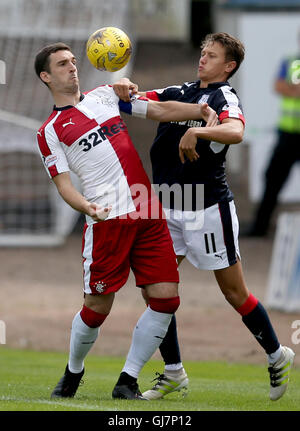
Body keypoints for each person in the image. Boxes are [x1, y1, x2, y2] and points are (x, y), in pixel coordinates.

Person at [113, 32, 295, 402]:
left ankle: (278, 355)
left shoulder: (223, 96)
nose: (203, 60)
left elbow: (236, 131)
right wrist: (122, 88)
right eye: (202, 53)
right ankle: (173, 372)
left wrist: (198, 131)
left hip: (207, 209)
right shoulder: (180, 90)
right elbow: (134, 104)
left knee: (234, 292)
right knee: (157, 290)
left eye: (211, 56)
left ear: (228, 66)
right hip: (168, 205)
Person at [34, 42, 218, 401]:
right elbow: (63, 185)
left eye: (73, 61)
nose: (72, 68)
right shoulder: (50, 131)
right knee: (97, 307)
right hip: (108, 221)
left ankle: (127, 380)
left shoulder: (105, 95)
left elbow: (159, 108)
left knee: (165, 300)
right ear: (46, 76)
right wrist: (86, 207)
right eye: (62, 64)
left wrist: (200, 109)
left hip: (147, 213)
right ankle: (73, 371)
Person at [248, 32, 300, 237]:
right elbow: (279, 86)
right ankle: (260, 227)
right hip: (288, 134)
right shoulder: (294, 63)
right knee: (273, 178)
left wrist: (292, 88)